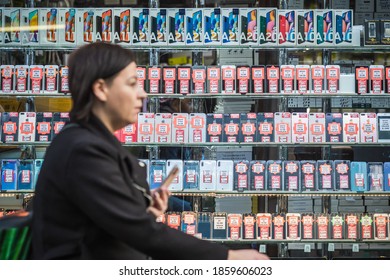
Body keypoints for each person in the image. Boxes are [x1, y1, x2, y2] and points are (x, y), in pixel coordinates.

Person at [32, 42, 269, 260]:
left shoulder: (91, 142)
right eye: (132, 83)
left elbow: (102, 226)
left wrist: (143, 211)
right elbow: (141, 234)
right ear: (101, 89)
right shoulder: (83, 150)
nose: (143, 94)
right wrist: (229, 258)